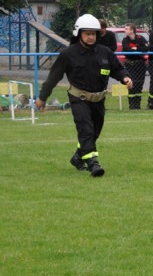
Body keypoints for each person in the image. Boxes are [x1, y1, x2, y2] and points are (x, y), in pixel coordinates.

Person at [35, 14, 132, 177]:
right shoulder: (68, 54)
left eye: (93, 34)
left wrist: (125, 77)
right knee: (86, 130)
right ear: (79, 34)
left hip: (99, 100)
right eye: (87, 33)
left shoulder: (105, 52)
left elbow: (117, 68)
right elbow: (53, 78)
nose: (90, 37)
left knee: (94, 132)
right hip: (79, 99)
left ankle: (77, 158)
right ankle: (93, 163)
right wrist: (42, 98)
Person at [121, 24, 147, 110]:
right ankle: (132, 105)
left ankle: (137, 104)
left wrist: (136, 48)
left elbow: (146, 48)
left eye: (126, 29)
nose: (125, 31)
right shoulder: (125, 40)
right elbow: (126, 50)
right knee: (132, 83)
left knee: (139, 84)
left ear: (132, 30)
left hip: (140, 64)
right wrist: (136, 49)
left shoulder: (140, 38)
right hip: (130, 64)